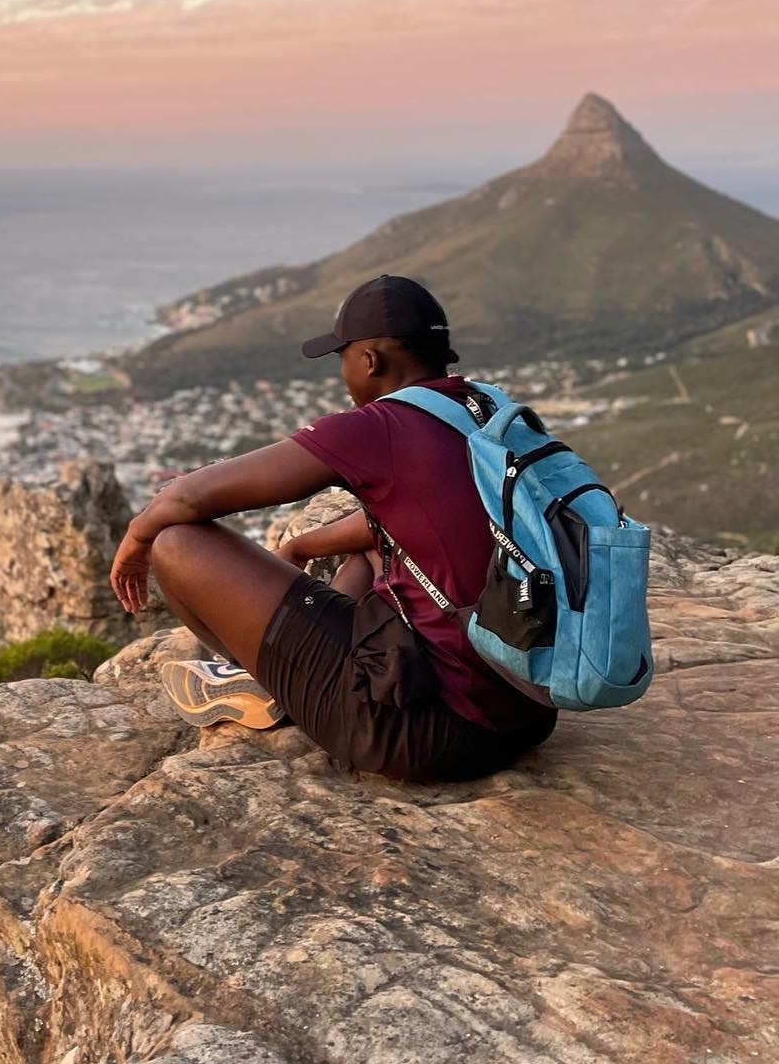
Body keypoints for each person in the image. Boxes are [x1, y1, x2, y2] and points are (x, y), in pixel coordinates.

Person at [108, 274, 558, 782]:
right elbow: (415, 521)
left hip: (422, 734)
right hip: (526, 709)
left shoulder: (382, 425)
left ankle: (268, 680)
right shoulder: (490, 411)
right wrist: (302, 544)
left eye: (342, 357)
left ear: (370, 360)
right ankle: (296, 670)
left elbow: (189, 495)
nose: (342, 373)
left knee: (178, 543)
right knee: (369, 553)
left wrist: (138, 538)